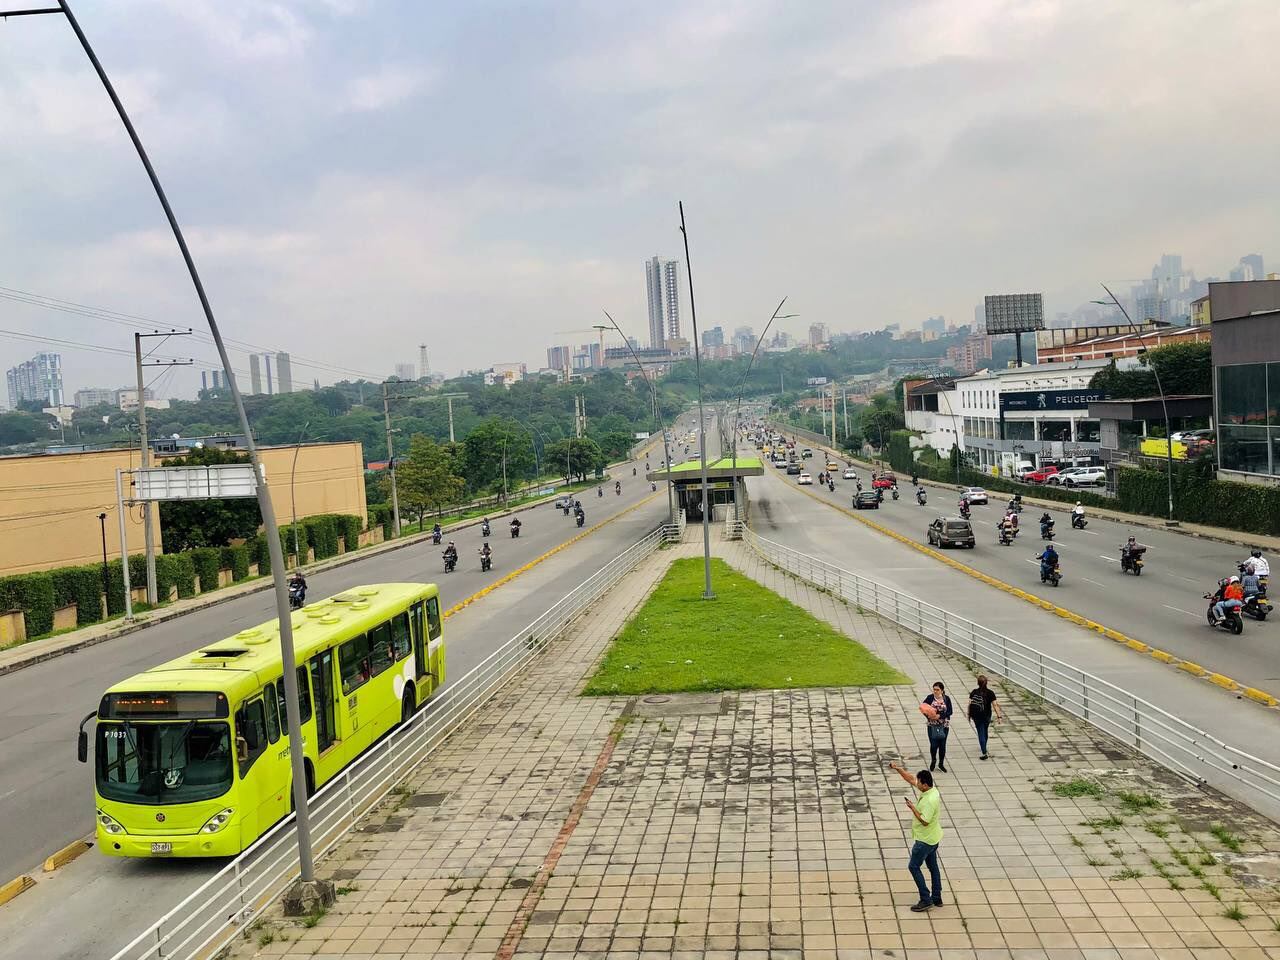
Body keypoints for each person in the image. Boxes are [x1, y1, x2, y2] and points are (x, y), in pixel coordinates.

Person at [888, 762, 944, 912]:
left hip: (924, 840)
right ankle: (937, 897)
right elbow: (910, 779)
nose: (916, 783)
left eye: (919, 782)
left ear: (924, 785)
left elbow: (925, 821)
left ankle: (925, 899)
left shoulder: (929, 801)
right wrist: (898, 769)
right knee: (933, 867)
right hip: (934, 838)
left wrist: (913, 808)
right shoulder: (932, 791)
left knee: (913, 866)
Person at [966, 675, 1002, 760]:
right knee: (985, 731)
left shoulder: (974, 692)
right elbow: (995, 705)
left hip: (976, 716)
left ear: (978, 683)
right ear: (986, 683)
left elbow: (969, 704)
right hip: (987, 715)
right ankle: (984, 746)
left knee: (980, 732)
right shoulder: (990, 693)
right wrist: (999, 716)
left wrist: (969, 714)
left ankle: (984, 752)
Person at [921, 682, 953, 772]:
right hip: (932, 725)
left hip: (944, 726)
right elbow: (923, 708)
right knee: (933, 745)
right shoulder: (930, 698)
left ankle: (941, 763)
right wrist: (929, 716)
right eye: (934, 689)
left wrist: (939, 716)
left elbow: (950, 711)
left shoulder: (946, 699)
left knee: (942, 745)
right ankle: (933, 760)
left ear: (942, 690)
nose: (935, 691)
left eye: (937, 690)